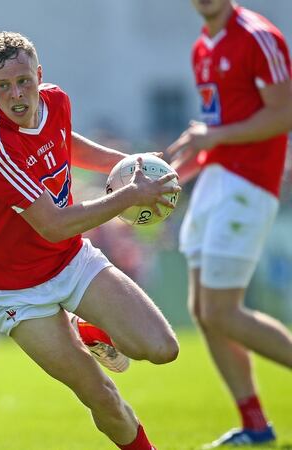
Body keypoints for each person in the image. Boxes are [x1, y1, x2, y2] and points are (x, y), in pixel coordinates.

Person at [0, 31, 181, 450]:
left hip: (68, 259)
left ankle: (89, 328)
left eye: (24, 80)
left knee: (161, 348)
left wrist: (126, 165)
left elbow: (66, 142)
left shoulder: (56, 101)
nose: (17, 94)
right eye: (3, 86)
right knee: (101, 396)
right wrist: (129, 195)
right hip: (14, 289)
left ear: (39, 75)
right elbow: (54, 224)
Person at [166, 1, 292, 447]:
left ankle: (257, 426)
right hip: (217, 182)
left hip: (250, 185)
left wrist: (212, 136)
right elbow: (218, 131)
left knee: (223, 310)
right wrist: (173, 169)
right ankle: (256, 426)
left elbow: (283, 113)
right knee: (205, 312)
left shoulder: (258, 36)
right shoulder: (202, 47)